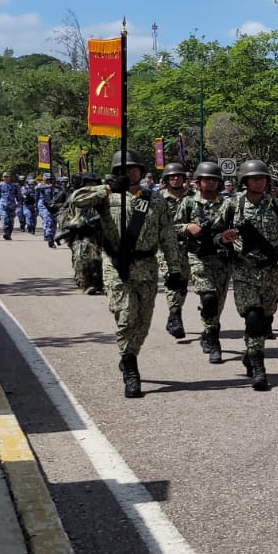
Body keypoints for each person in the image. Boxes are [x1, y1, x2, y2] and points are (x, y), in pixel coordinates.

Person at [68, 152, 186, 398]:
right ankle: (130, 366)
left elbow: (168, 237)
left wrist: (173, 270)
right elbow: (76, 200)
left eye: (134, 169)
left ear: (141, 172)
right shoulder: (106, 196)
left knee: (143, 322)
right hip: (116, 266)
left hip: (147, 266)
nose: (130, 173)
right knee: (125, 316)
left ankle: (130, 352)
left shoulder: (155, 200)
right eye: (124, 169)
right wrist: (106, 189)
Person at [211, 160, 278, 391]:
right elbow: (214, 233)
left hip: (272, 271)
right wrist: (223, 238)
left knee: (266, 318)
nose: (258, 181)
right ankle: (259, 368)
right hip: (244, 270)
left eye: (262, 178)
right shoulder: (232, 205)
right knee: (254, 318)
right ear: (245, 181)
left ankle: (251, 353)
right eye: (253, 178)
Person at [177, 162, 233, 364]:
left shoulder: (228, 204)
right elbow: (172, 228)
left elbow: (237, 227)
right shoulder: (189, 203)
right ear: (198, 182)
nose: (209, 183)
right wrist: (187, 227)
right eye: (205, 179)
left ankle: (209, 330)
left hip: (221, 258)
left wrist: (230, 236)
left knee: (217, 302)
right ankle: (214, 339)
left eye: (213, 179)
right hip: (198, 256)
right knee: (208, 297)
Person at [156, 163, 192, 339]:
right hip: (165, 247)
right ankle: (175, 316)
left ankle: (174, 313)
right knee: (173, 280)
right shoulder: (157, 199)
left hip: (188, 247)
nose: (175, 179)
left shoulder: (191, 198)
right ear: (166, 180)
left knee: (183, 284)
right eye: (172, 176)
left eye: (179, 176)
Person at [0, 172, 21, 240]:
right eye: (5, 177)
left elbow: (18, 195)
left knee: (11, 221)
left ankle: (9, 233)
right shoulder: (0, 185)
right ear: (3, 178)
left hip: (12, 205)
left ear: (10, 177)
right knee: (4, 218)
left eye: (7, 177)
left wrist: (19, 202)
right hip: (3, 204)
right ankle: (6, 232)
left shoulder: (15, 185)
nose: (6, 178)